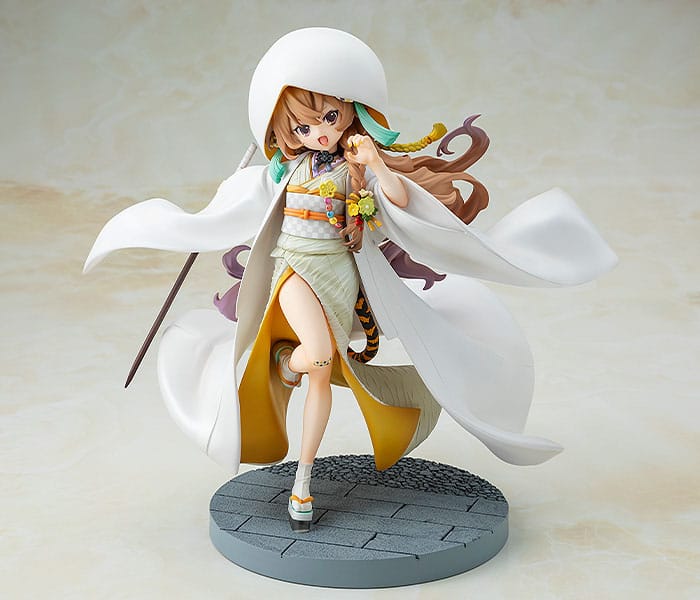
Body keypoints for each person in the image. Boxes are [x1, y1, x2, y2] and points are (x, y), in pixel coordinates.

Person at [85, 28, 617, 532]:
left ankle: (301, 473)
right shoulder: (282, 172)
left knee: (321, 374)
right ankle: (291, 385)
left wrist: (376, 163)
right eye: (302, 126)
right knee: (319, 359)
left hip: (340, 277)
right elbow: (230, 210)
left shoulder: (353, 169)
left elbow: (401, 200)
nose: (319, 132)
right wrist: (188, 222)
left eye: (329, 117)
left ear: (351, 112)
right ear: (282, 131)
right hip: (295, 270)